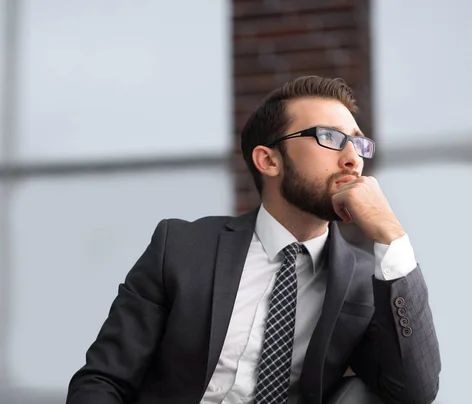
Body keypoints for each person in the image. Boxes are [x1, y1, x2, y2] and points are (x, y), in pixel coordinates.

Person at [66, 76, 441, 404]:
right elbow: (103, 380)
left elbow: (414, 392)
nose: (352, 160)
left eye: (359, 144)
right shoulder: (181, 247)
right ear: (269, 161)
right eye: (330, 137)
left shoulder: (365, 279)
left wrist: (391, 235)